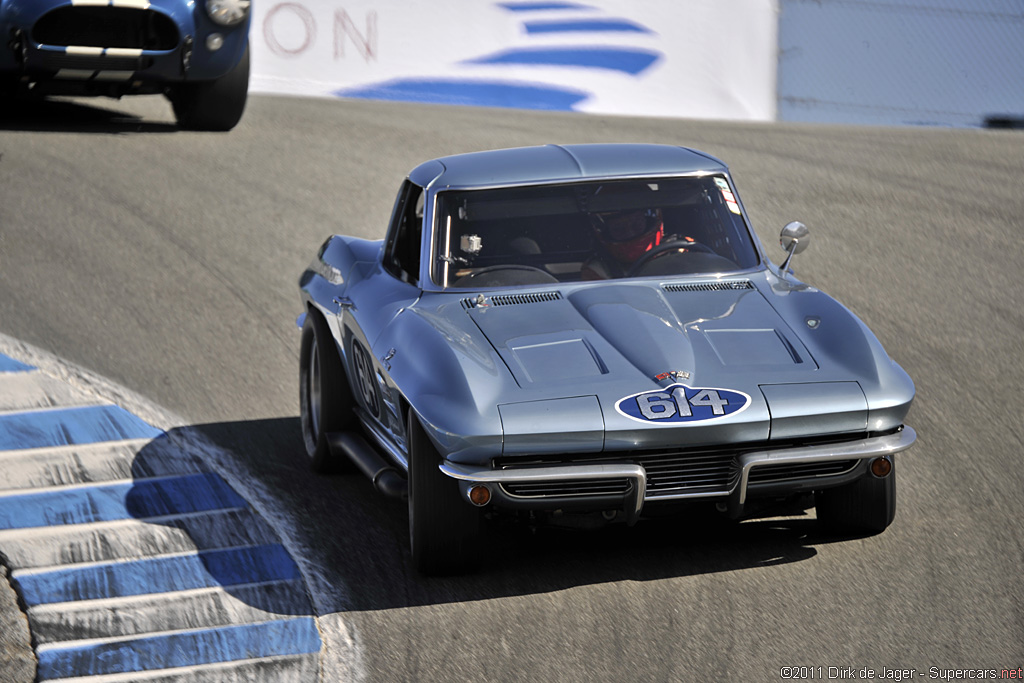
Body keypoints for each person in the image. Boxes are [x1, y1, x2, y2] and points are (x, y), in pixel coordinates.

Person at [581, 208, 666, 280]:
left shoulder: (674, 253)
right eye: (619, 228)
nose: (630, 233)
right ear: (607, 232)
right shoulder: (598, 270)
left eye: (636, 225)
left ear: (649, 221)